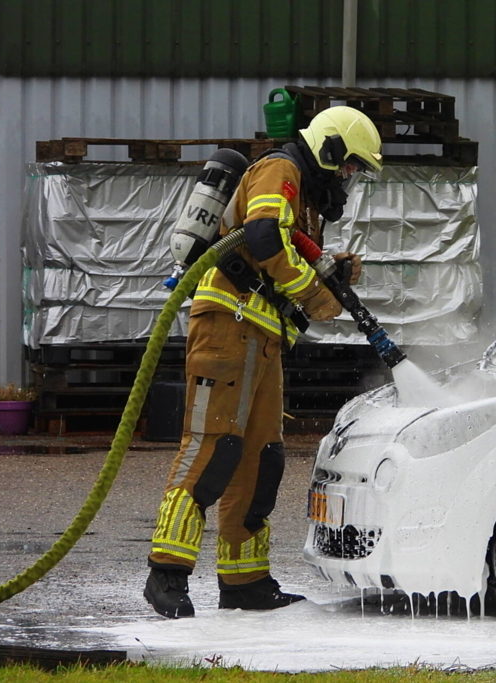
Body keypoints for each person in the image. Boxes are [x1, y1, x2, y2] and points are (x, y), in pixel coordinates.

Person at [144, 106, 384, 616]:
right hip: (227, 325)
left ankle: (244, 581)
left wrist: (330, 273)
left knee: (260, 459)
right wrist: (318, 295)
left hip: (264, 335)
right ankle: (167, 573)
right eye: (350, 166)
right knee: (212, 448)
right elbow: (263, 238)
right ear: (331, 149)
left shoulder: (306, 196)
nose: (350, 178)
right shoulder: (280, 170)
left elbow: (287, 255)